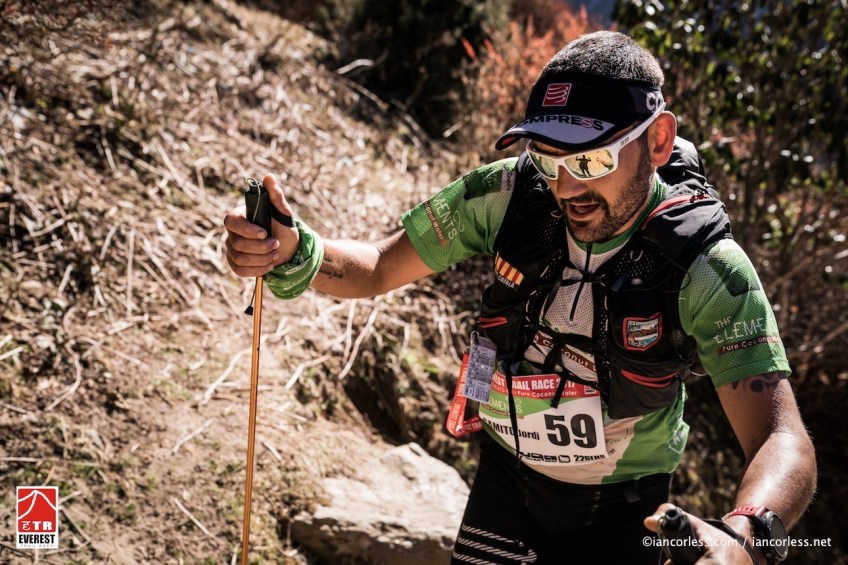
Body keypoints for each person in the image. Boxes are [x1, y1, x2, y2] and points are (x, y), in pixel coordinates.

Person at [225, 31, 816, 564]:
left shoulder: (708, 269)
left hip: (624, 508)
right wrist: (295, 251)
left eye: (592, 159)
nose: (567, 186)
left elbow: (782, 439)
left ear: (658, 140)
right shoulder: (509, 193)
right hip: (505, 481)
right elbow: (379, 267)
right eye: (548, 158)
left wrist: (743, 538)